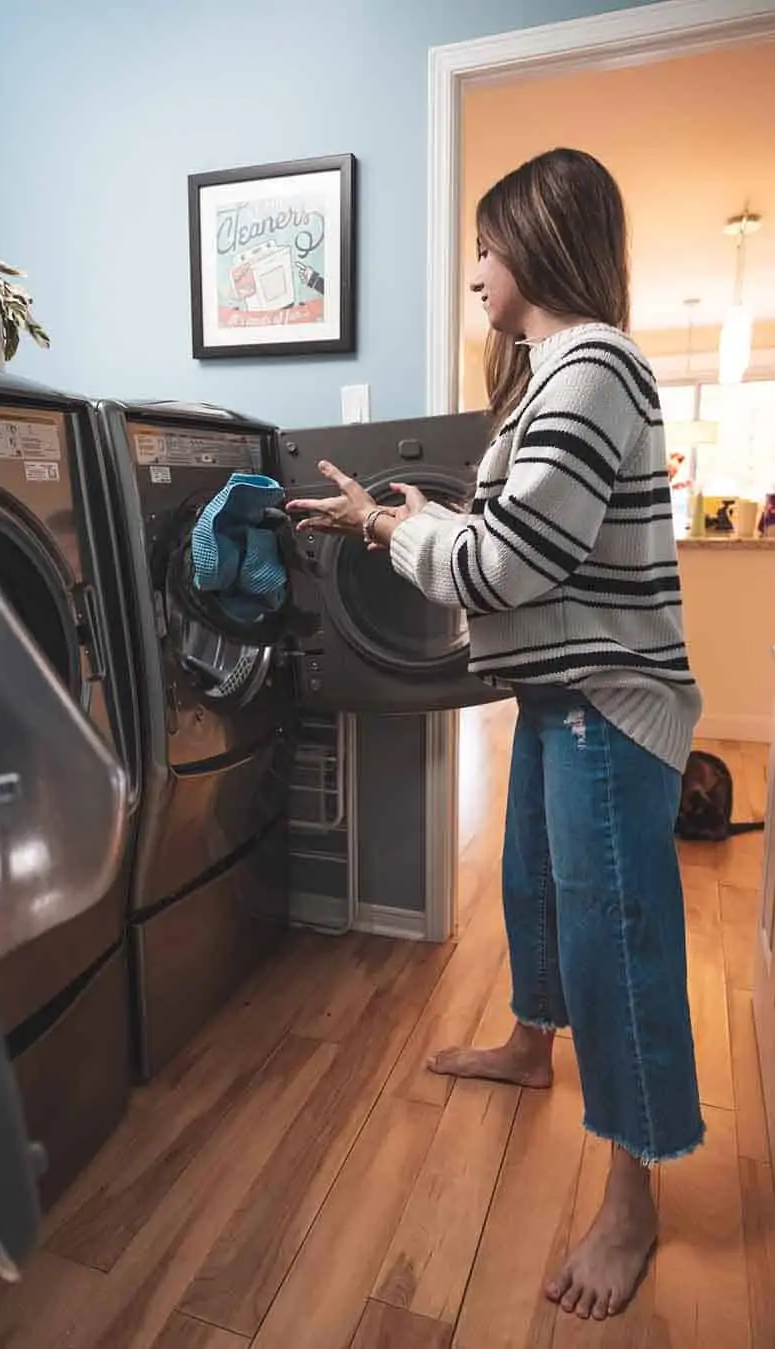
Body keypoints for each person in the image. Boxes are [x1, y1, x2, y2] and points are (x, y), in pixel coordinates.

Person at [287, 147, 703, 1324]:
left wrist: (386, 524)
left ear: (537, 240)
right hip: (560, 692)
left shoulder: (592, 370)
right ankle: (531, 1043)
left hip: (608, 705)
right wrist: (420, 518)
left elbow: (510, 563)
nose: (475, 269)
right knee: (533, 881)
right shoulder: (552, 376)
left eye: (484, 244)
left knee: (616, 938)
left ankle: (634, 1191)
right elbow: (516, 527)